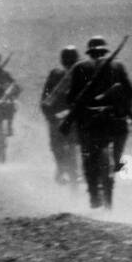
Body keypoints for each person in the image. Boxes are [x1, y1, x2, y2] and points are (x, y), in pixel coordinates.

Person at [63, 36, 132, 209]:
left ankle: (94, 195)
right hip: (114, 119)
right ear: (105, 50)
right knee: (121, 139)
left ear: (89, 52)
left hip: (90, 121)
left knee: (88, 157)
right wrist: (125, 108)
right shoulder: (118, 66)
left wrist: (80, 106)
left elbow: (71, 97)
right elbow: (131, 92)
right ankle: (117, 164)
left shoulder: (80, 67)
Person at [40, 46, 80, 184]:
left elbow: (45, 99)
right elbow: (46, 97)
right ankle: (62, 167)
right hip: (64, 116)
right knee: (57, 143)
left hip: (74, 116)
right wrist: (49, 114)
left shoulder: (82, 71)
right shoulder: (57, 74)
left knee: (57, 144)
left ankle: (62, 168)